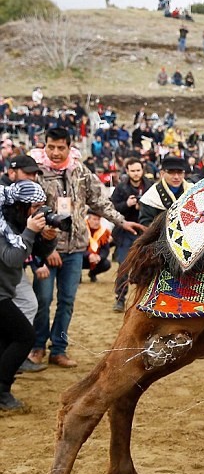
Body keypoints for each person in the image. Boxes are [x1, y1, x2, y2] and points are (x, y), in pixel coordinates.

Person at [27, 128, 144, 369]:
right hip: (47, 249)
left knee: (67, 301)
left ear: (70, 148)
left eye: (61, 147)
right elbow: (30, 210)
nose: (56, 152)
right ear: (45, 146)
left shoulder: (81, 172)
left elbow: (99, 202)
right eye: (51, 147)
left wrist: (121, 220)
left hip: (76, 248)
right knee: (43, 299)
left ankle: (58, 349)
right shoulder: (36, 174)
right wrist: (45, 247)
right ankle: (37, 346)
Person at [0, 182, 48, 410]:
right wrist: (30, 232)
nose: (39, 211)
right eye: (36, 206)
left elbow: (38, 253)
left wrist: (47, 237)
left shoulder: (17, 223)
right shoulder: (3, 226)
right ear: (21, 206)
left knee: (6, 340)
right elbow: (12, 258)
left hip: (4, 290)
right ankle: (2, 391)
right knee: (25, 336)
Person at [109, 157, 151, 311]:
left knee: (147, 266)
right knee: (124, 265)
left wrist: (143, 207)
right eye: (132, 170)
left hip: (146, 232)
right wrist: (126, 204)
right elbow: (112, 209)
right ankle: (120, 299)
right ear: (127, 171)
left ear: (142, 170)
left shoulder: (150, 187)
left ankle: (144, 299)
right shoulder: (120, 188)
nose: (135, 173)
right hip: (125, 231)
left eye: (138, 170)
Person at [138, 156, 193, 226]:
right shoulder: (152, 196)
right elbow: (145, 224)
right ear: (162, 174)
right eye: (171, 172)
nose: (176, 177)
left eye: (180, 172)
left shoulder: (192, 190)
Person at [81, 214, 112, 282]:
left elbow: (105, 249)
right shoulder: (81, 230)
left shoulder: (103, 232)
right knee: (76, 259)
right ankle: (78, 276)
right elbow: (77, 248)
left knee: (106, 264)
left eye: (98, 219)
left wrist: (100, 257)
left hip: (96, 259)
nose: (97, 222)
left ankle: (92, 274)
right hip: (82, 257)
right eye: (94, 219)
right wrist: (89, 255)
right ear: (88, 220)